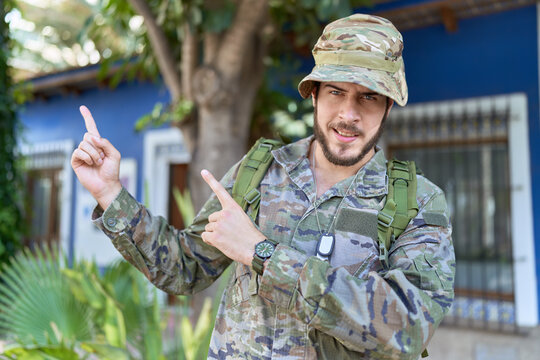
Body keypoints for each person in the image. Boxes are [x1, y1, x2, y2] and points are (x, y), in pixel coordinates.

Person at [72, 13, 455, 360]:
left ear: (388, 106)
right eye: (336, 91)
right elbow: (185, 267)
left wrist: (262, 253)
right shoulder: (260, 173)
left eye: (369, 96)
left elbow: (408, 327)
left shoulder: (415, 201)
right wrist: (110, 195)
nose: (349, 114)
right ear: (315, 94)